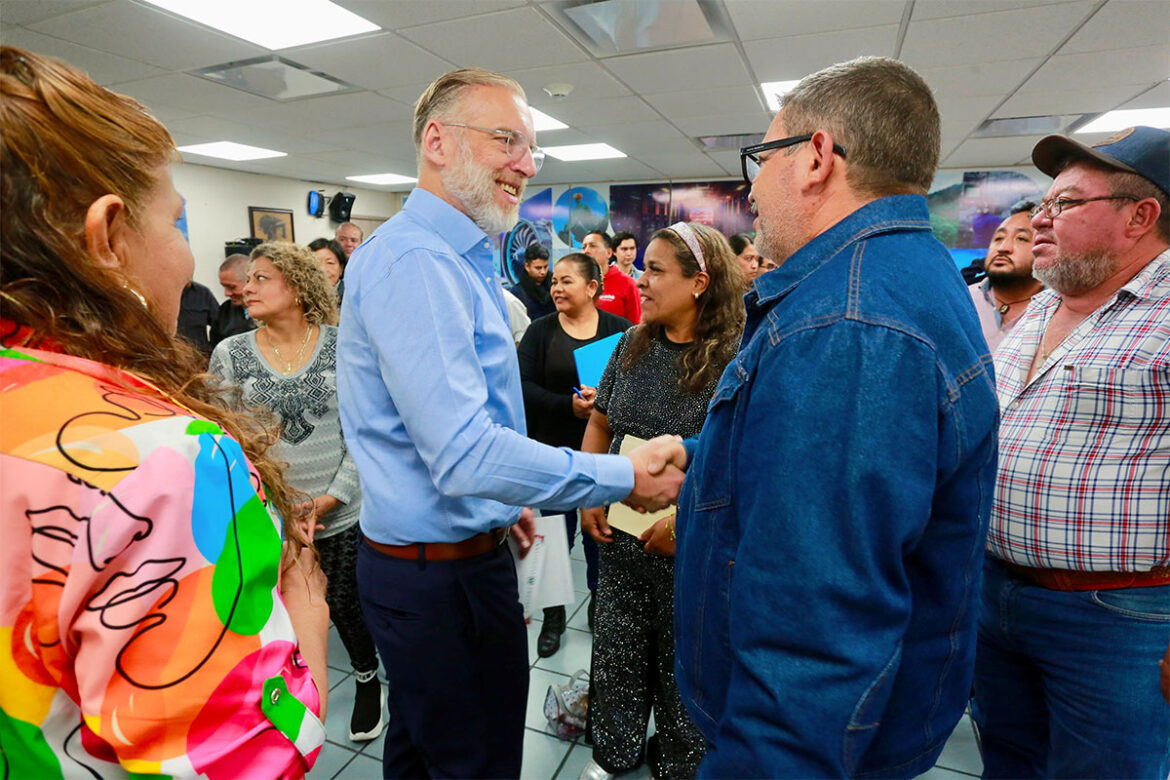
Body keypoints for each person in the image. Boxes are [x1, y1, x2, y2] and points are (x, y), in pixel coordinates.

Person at [335, 67, 685, 778]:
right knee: (476, 761)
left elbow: (458, 429)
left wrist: (504, 503)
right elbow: (462, 455)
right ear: (438, 141)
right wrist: (620, 477)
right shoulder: (417, 264)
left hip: (452, 557)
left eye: (532, 149)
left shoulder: (456, 263)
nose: (526, 166)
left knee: (425, 749)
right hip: (437, 582)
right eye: (507, 141)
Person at [0, 45, 328, 775]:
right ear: (108, 234)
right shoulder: (161, 460)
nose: (190, 260)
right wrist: (307, 621)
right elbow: (250, 761)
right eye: (177, 224)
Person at [673, 56, 998, 777]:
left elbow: (811, 639)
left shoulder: (846, 326)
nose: (751, 187)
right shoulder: (905, 274)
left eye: (761, 158)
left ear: (816, 157)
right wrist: (700, 456)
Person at [973, 126, 1170, 779]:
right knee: (1010, 761)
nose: (1039, 222)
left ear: (1139, 216)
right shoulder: (1044, 302)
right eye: (1043, 203)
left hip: (1118, 619)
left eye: (1065, 204)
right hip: (999, 595)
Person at [579, 222, 744, 780]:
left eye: (654, 270)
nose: (637, 282)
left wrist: (685, 530)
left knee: (685, 667)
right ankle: (613, 753)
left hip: (693, 556)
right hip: (620, 546)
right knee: (617, 653)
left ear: (699, 282)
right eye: (640, 267)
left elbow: (740, 464)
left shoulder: (735, 361)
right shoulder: (630, 345)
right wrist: (592, 493)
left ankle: (679, 764)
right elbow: (601, 424)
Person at [209, 242, 384, 745]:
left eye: (262, 278)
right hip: (270, 513)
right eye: (248, 279)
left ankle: (367, 677)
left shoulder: (341, 343)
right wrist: (271, 502)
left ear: (299, 285)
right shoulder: (232, 353)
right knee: (278, 611)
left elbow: (365, 428)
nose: (247, 286)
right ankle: (287, 698)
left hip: (341, 508)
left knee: (347, 606)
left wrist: (334, 495)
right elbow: (226, 436)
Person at [517, 252, 631, 657]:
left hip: (604, 453)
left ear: (592, 288)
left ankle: (601, 607)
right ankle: (553, 617)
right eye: (554, 282)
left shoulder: (622, 331)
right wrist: (569, 407)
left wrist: (604, 403)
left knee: (602, 535)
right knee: (553, 537)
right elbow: (524, 387)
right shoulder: (541, 331)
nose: (557, 288)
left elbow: (636, 384)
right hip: (554, 451)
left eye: (566, 281)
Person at [967, 200, 1043, 352]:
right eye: (998, 238)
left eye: (1021, 238)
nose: (1003, 248)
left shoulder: (1060, 310)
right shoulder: (961, 301)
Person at [584, 230, 642, 323]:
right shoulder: (578, 282)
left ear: (609, 253)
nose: (586, 251)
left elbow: (635, 326)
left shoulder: (628, 283)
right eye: (584, 247)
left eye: (592, 246)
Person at [211, 252, 256, 347]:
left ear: (249, 281)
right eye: (224, 287)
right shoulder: (225, 310)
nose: (226, 294)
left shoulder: (271, 311)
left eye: (232, 287)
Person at [509, 242, 556, 320]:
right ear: (527, 266)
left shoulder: (556, 286)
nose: (543, 272)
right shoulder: (517, 293)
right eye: (538, 268)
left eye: (545, 267)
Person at [176, 278, 219, 356]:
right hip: (170, 359)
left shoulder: (203, 293)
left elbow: (220, 325)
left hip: (200, 359)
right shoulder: (160, 293)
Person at [308, 236, 348, 303]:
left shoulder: (350, 296)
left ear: (341, 269)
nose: (323, 269)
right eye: (316, 262)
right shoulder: (301, 296)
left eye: (330, 263)